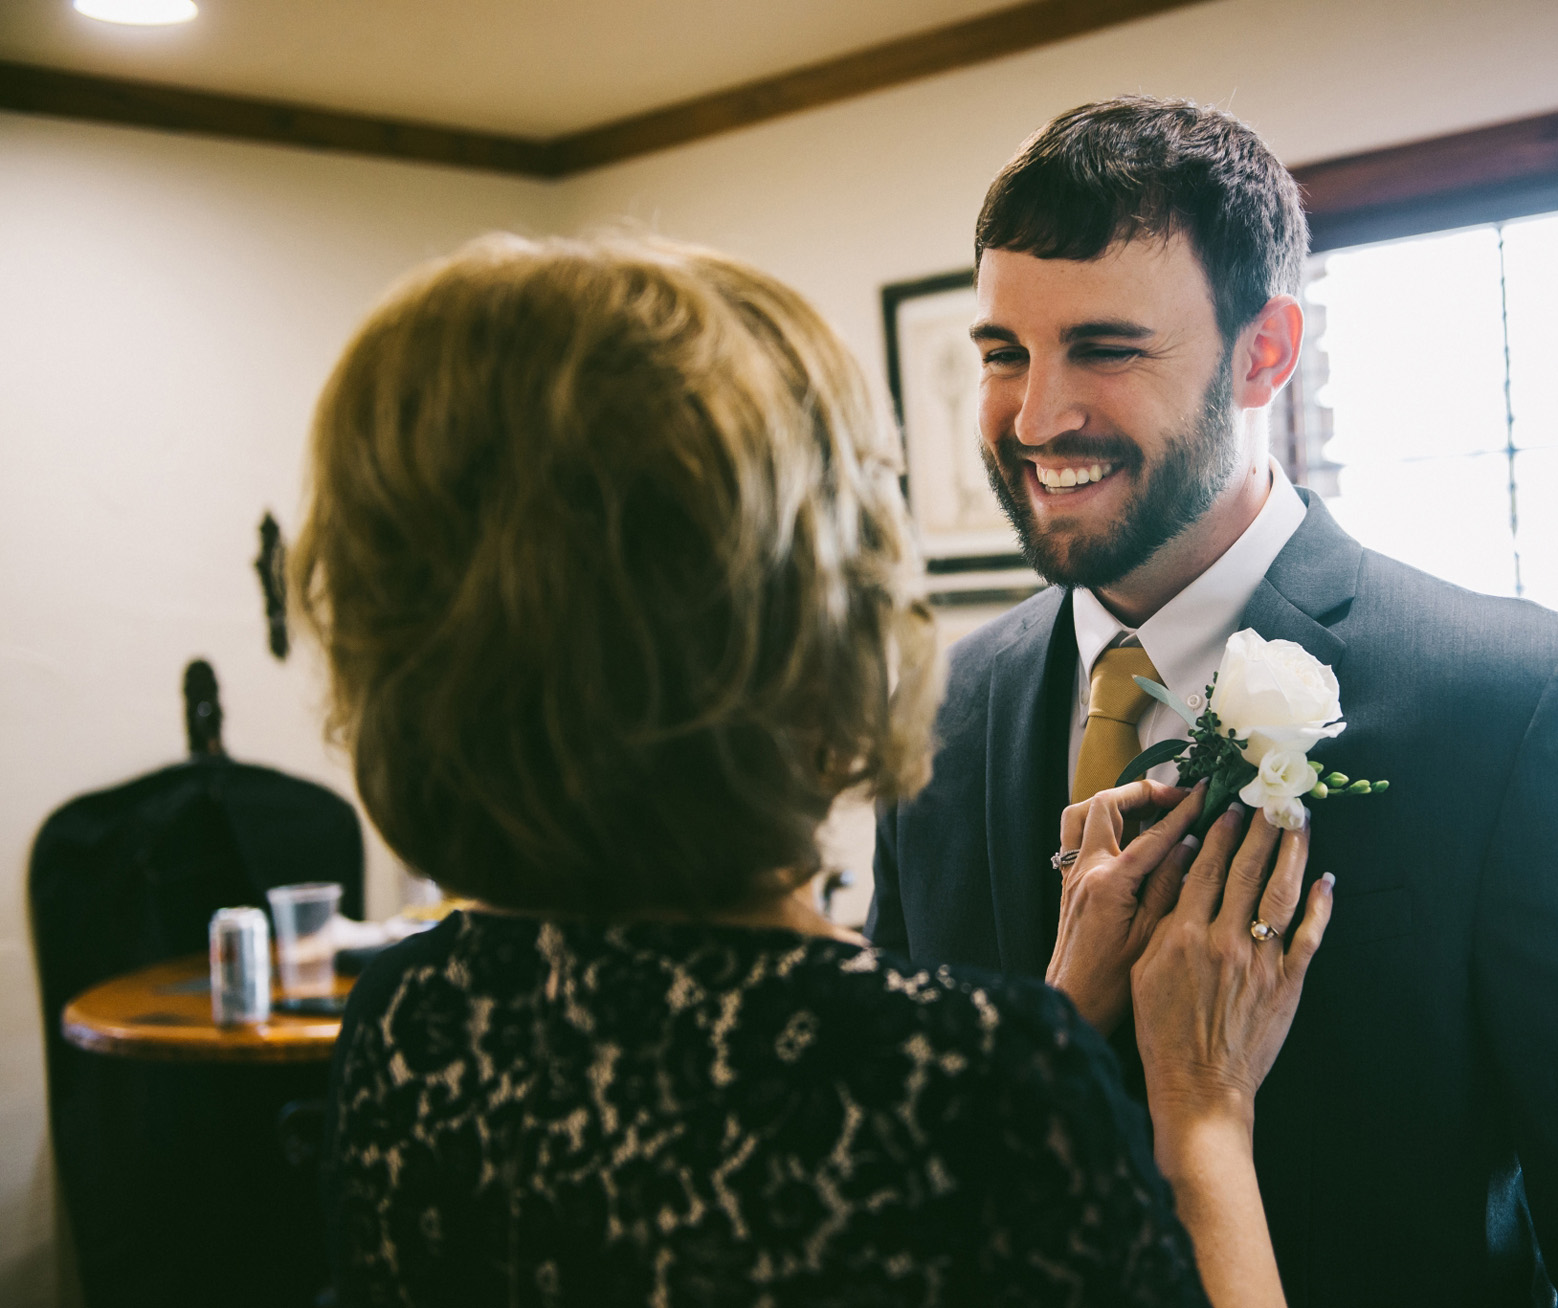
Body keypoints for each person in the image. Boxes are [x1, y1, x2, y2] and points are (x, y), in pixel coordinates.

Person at [297, 232, 1330, 1308]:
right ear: (813, 614)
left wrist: (1053, 1016)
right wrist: (1203, 1110)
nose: (1033, 419)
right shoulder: (976, 1086)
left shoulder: (413, 1020)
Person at [868, 96, 1558, 1304]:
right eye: (1004, 353)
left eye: (1105, 348)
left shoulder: (1516, 712)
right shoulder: (935, 710)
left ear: (1264, 353)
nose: (1037, 418)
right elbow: (888, 1159)